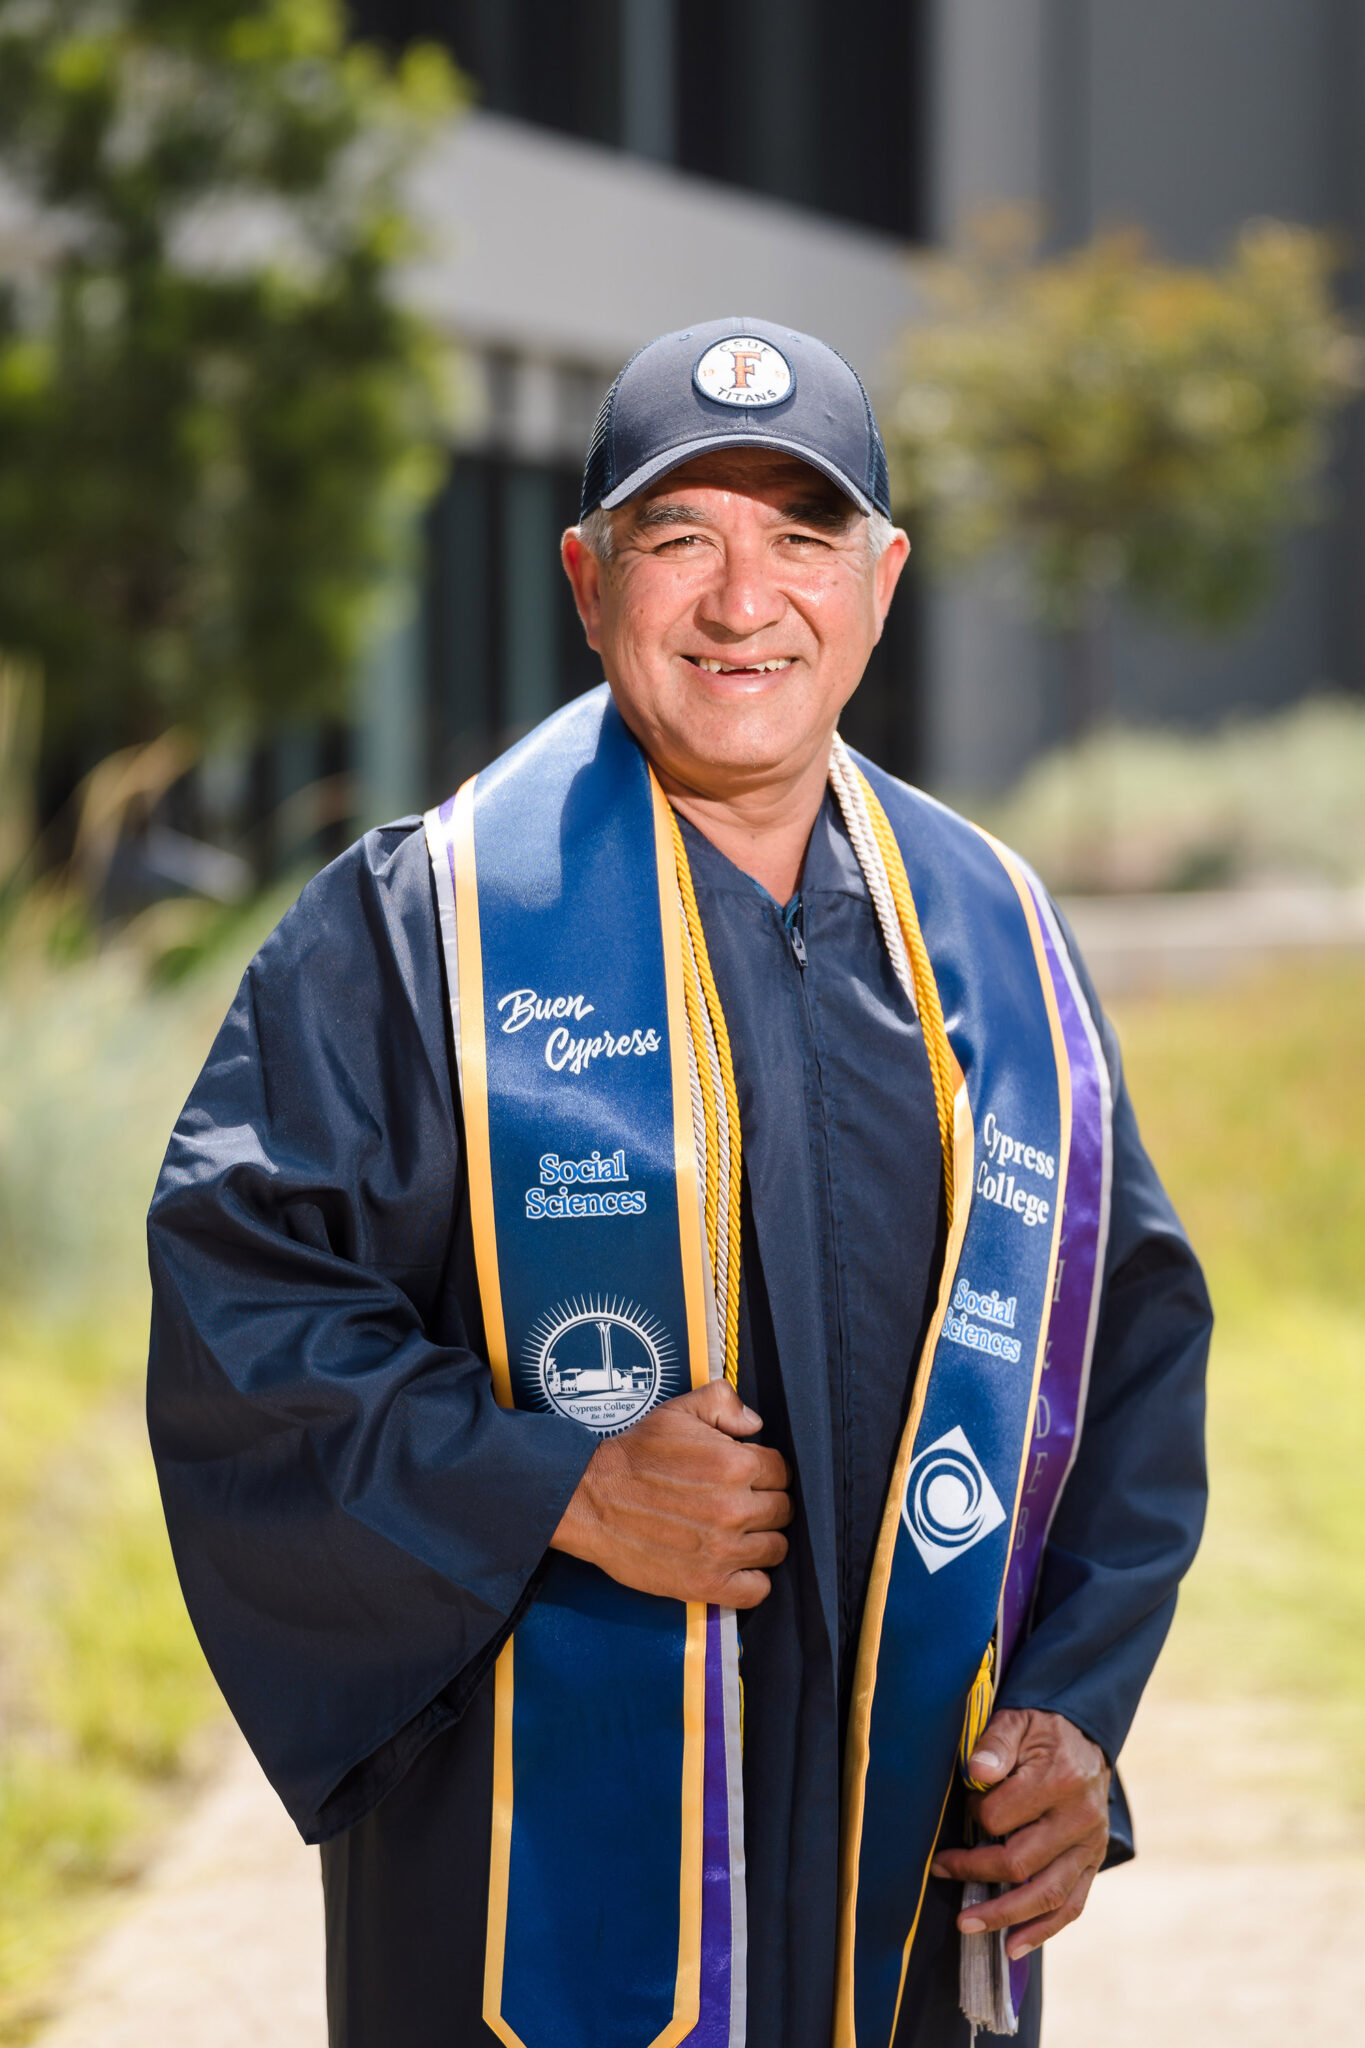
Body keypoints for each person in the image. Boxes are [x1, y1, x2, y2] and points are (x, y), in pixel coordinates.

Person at [147, 319, 1210, 2048]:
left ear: (882, 583)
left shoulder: (999, 948)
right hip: (524, 1893)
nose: (742, 601)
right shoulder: (421, 930)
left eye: (801, 539)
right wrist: (539, 1487)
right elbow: (241, 1320)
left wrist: (1079, 1719)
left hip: (905, 1899)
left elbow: (1128, 1355)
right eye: (676, 540)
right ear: (585, 580)